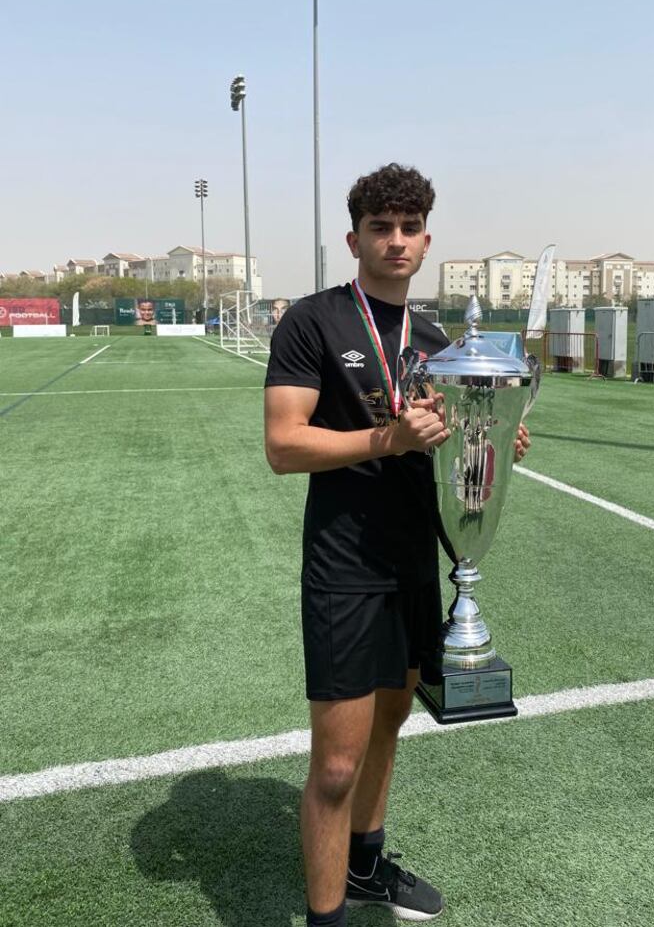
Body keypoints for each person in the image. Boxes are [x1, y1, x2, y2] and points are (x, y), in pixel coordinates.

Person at [264, 163, 530, 927]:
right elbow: (283, 445)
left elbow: (447, 451)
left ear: (426, 240)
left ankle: (370, 865)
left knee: (390, 723)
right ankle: (327, 918)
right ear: (355, 238)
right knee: (337, 764)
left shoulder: (438, 339)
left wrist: (492, 438)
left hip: (418, 562)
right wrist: (386, 434)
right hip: (345, 566)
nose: (396, 240)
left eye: (410, 228)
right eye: (381, 227)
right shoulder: (313, 322)